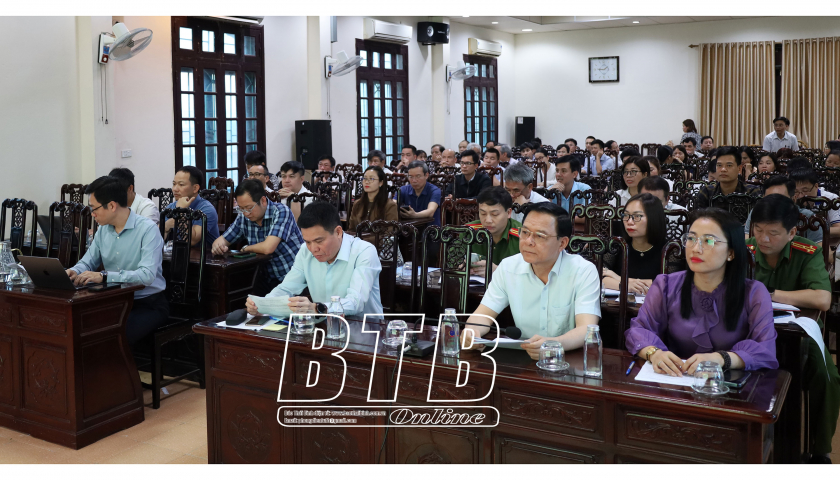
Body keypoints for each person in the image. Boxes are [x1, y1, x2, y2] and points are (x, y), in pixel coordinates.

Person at [625, 208, 778, 377]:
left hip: (726, 384)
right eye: (691, 238)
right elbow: (638, 330)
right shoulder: (665, 285)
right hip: (675, 378)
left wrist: (722, 359)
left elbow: (765, 349)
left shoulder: (754, 293)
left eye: (708, 241)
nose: (696, 248)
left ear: (731, 252)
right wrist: (654, 353)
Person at [746, 195, 839, 463]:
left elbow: (822, 299)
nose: (763, 239)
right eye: (758, 230)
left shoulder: (806, 251)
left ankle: (820, 449)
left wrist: (769, 294)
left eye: (773, 233)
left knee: (825, 375)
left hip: (799, 330)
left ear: (792, 232)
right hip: (751, 328)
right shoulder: (744, 250)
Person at [460, 203, 601, 360]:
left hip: (567, 358)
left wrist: (553, 345)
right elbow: (482, 316)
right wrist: (471, 332)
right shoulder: (508, 267)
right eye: (525, 232)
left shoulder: (583, 271)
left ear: (562, 243)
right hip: (524, 356)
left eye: (540, 236)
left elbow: (587, 330)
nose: (528, 241)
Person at [65, 176, 168, 345]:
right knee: (82, 327)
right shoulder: (103, 230)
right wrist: (73, 271)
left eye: (94, 208)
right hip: (115, 301)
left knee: (112, 335)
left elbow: (147, 275)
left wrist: (105, 276)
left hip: (147, 303)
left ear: (112, 206)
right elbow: (87, 261)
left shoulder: (147, 229)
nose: (92, 214)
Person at [249, 202, 383, 315]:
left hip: (364, 328)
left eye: (319, 241)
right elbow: (287, 288)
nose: (313, 249)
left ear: (338, 232)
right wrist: (263, 305)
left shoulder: (364, 251)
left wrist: (318, 308)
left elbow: (356, 302)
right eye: (308, 241)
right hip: (324, 326)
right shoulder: (304, 251)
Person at [212, 179, 304, 296]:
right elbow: (220, 240)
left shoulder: (281, 211)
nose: (246, 213)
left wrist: (245, 248)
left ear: (263, 201)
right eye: (241, 208)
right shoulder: (243, 217)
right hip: (264, 278)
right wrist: (218, 247)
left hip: (290, 277)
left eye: (249, 207)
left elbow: (268, 248)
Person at [603, 193, 667, 295]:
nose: (629, 221)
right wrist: (625, 285)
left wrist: (619, 278)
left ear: (653, 218)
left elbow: (670, 283)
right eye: (626, 215)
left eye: (637, 216)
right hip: (617, 304)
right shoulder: (617, 245)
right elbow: (601, 276)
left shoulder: (669, 250)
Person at [744, 176, 822, 244]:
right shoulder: (756, 213)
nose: (774, 204)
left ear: (793, 199)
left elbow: (822, 252)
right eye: (769, 199)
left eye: (780, 200)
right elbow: (748, 243)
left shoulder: (809, 218)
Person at [465, 187, 521, 276]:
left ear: (508, 213)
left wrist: (499, 271)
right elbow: (450, 263)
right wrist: (460, 267)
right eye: (483, 213)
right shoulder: (468, 232)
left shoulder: (522, 236)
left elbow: (532, 275)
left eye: (494, 214)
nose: (488, 220)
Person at [164, 166, 220, 247]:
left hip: (204, 254)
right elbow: (156, 238)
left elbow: (192, 241)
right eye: (174, 184)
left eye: (181, 184)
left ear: (195, 188)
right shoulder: (171, 206)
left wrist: (181, 211)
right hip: (180, 253)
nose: (175, 189)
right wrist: (166, 226)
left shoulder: (206, 209)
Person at [791, 168, 840, 237]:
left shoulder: (831, 199)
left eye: (805, 190)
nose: (801, 196)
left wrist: (813, 231)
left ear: (816, 186)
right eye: (796, 191)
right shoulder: (790, 197)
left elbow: (838, 229)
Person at [348, 166, 399, 231]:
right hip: (357, 237)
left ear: (381, 183)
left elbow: (390, 232)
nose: (367, 182)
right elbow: (351, 229)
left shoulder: (390, 205)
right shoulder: (357, 204)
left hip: (378, 238)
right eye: (365, 178)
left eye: (371, 179)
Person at [399, 160, 441, 226]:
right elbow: (393, 205)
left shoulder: (435, 190)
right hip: (409, 229)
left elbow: (430, 212)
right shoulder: (403, 190)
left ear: (426, 175)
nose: (414, 180)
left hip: (431, 229)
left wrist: (415, 215)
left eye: (418, 176)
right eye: (411, 177)